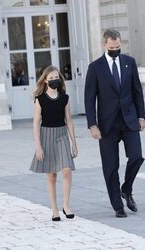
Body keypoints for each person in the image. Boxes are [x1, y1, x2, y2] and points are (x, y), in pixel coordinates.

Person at [84, 29, 145, 218]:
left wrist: (141, 116)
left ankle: (126, 189)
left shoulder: (129, 63)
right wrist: (92, 124)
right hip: (106, 124)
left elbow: (137, 92)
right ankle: (118, 206)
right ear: (104, 45)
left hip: (129, 120)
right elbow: (89, 98)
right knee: (110, 167)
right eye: (112, 48)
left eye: (118, 47)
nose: (115, 50)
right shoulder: (95, 67)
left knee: (137, 157)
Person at [30, 65, 78, 221]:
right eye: (51, 78)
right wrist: (38, 146)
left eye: (56, 77)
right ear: (45, 81)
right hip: (46, 136)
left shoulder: (65, 98)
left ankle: (66, 205)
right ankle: (55, 209)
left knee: (66, 170)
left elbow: (69, 121)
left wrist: (74, 143)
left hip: (62, 135)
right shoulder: (40, 99)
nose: (54, 80)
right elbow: (36, 123)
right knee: (51, 175)